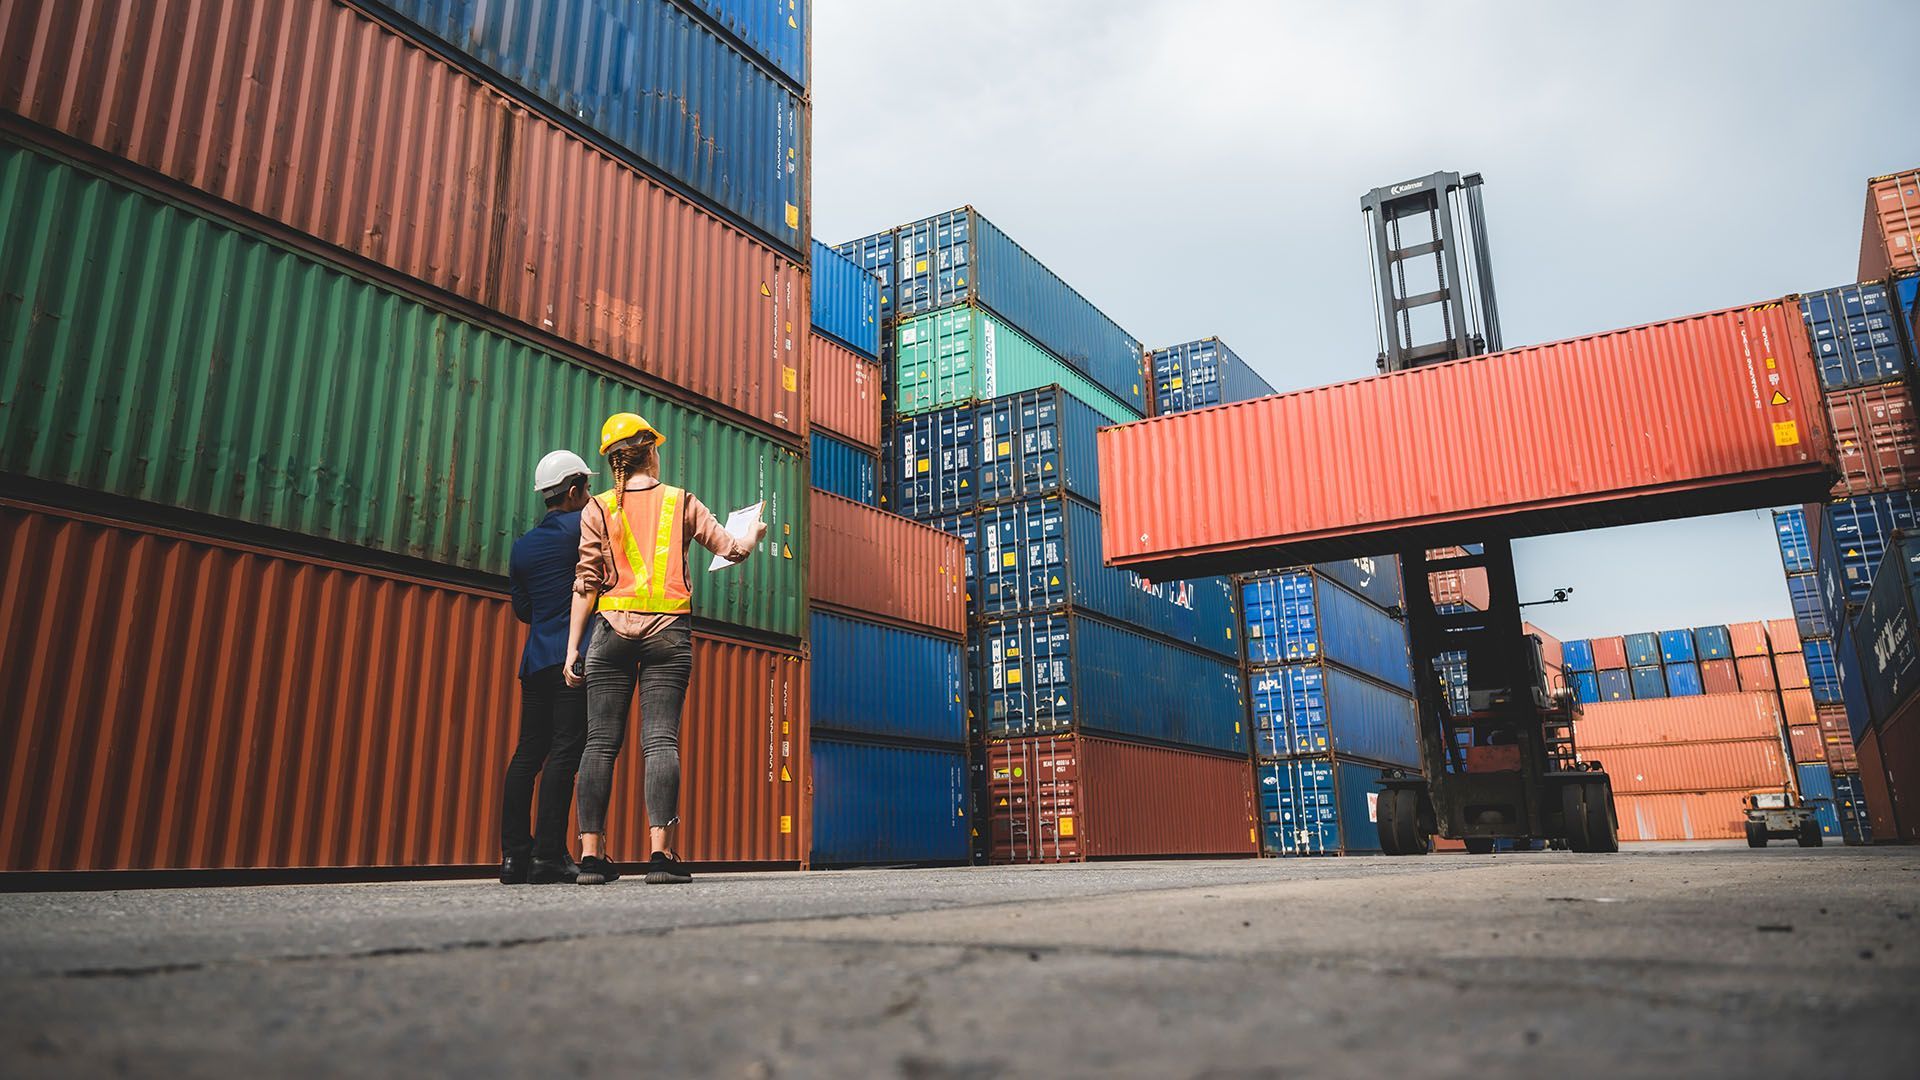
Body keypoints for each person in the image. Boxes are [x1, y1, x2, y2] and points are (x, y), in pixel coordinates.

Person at [565, 413, 767, 886]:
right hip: (669, 636)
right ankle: (661, 854)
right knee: (660, 741)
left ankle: (591, 856)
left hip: (609, 634)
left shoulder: (596, 508)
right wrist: (753, 536)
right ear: (651, 452)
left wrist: (573, 648)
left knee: (599, 743)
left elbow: (585, 583)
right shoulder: (681, 501)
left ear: (614, 459)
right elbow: (731, 550)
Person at [500, 450, 596, 885]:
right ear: (574, 490)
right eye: (588, 488)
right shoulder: (584, 528)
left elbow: (524, 609)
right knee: (564, 753)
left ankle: (513, 857)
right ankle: (547, 857)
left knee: (527, 754)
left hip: (535, 660)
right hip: (572, 660)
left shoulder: (522, 547)